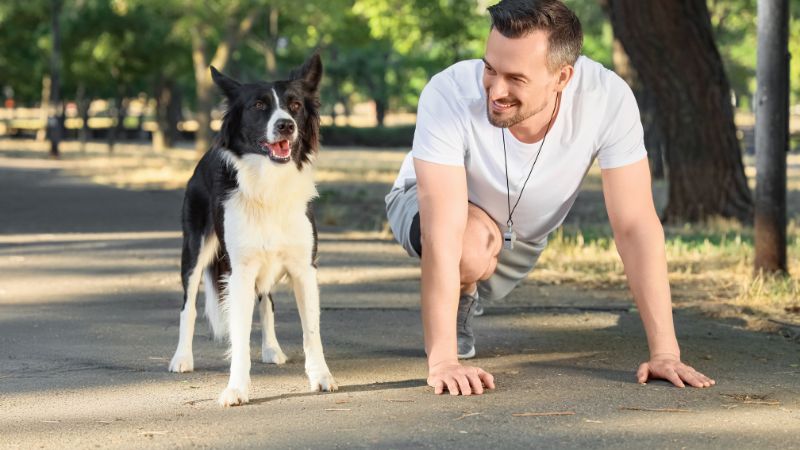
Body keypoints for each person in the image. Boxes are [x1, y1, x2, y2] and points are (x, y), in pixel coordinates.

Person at [385, 0, 716, 396]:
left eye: (516, 78)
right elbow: (442, 231)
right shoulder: (449, 93)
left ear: (562, 77)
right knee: (468, 245)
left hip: (521, 237)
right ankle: (460, 300)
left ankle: (474, 280)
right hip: (432, 210)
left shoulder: (607, 99)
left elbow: (635, 225)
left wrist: (665, 352)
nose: (496, 89)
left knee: (481, 244)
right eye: (490, 68)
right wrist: (443, 361)